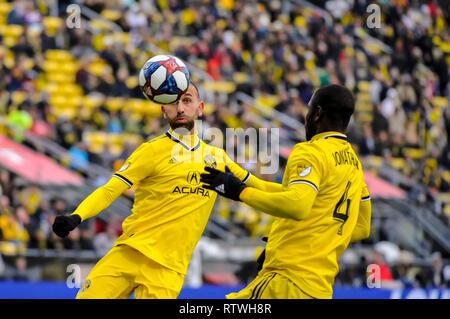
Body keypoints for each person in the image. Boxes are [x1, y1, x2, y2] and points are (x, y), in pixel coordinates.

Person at [52, 82, 281, 299]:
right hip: (129, 253)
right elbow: (111, 189)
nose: (180, 108)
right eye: (173, 103)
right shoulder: (150, 150)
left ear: (199, 108)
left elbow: (260, 187)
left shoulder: (218, 158)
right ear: (164, 111)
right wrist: (76, 216)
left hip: (169, 271)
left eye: (187, 101)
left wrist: (306, 193)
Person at [200, 84, 372, 299]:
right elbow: (362, 226)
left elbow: (297, 205)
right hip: (318, 289)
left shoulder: (311, 151)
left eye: (309, 109)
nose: (306, 117)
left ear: (317, 113)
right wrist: (245, 180)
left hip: (287, 282)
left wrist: (241, 193)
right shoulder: (354, 163)